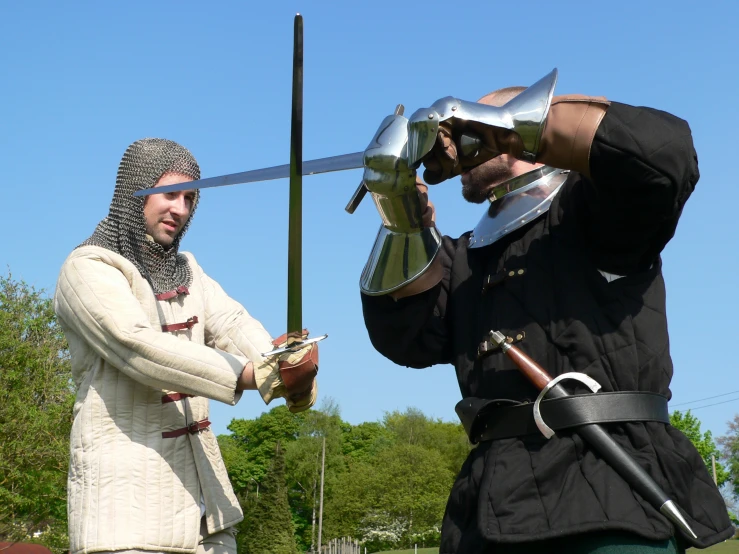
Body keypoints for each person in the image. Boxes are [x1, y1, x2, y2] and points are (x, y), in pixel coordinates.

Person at [359, 75, 734, 552]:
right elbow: (405, 336)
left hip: (611, 495)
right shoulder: (463, 256)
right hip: (490, 506)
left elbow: (665, 156)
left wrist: (497, 126)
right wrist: (400, 212)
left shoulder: (593, 208)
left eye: (474, 124)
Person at [54, 138, 319, 554]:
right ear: (134, 191)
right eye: (169, 193)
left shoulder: (189, 270)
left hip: (205, 514)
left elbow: (231, 322)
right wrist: (251, 376)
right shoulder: (87, 268)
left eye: (190, 197)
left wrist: (285, 367)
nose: (180, 208)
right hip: (124, 514)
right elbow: (138, 347)